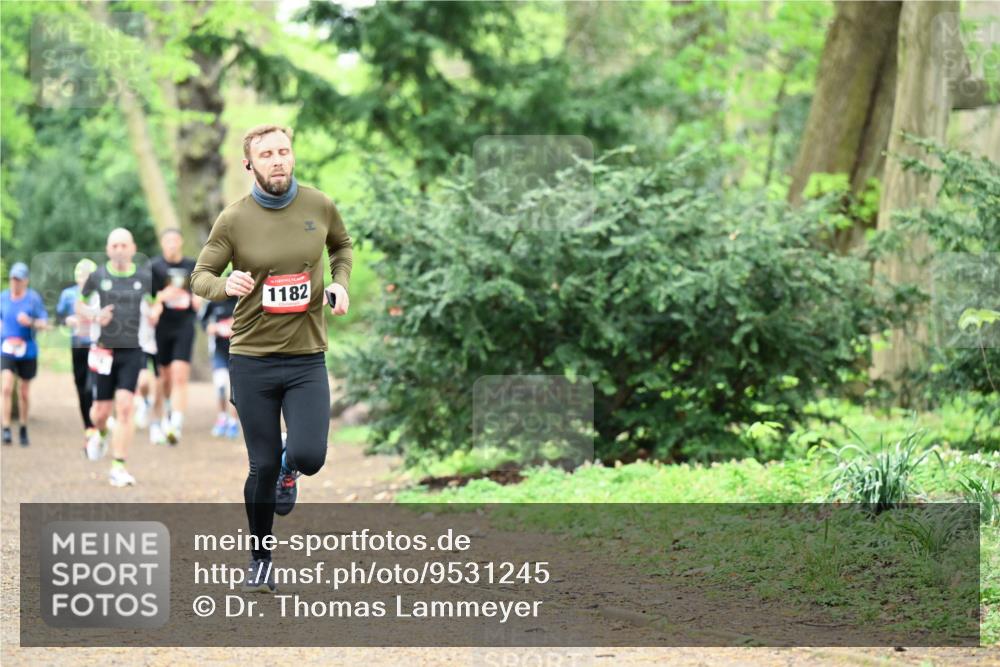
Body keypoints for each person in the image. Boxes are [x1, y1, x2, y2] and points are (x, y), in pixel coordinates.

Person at [191, 124, 352, 592]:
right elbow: (201, 276)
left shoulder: (319, 205)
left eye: (284, 151)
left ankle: (291, 470)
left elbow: (340, 246)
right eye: (266, 154)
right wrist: (227, 286)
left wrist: (339, 282)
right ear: (250, 164)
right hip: (252, 358)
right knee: (259, 464)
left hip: (306, 357)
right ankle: (260, 556)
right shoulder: (234, 219)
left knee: (309, 455)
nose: (278, 160)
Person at [77, 228, 161, 487]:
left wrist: (155, 312)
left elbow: (156, 302)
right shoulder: (97, 276)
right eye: (115, 245)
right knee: (99, 413)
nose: (120, 250)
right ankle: (100, 433)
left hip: (131, 351)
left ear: (133, 248)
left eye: (124, 245)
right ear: (108, 249)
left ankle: (118, 466)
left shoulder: (144, 278)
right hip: (104, 350)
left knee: (126, 407)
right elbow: (79, 304)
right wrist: (94, 315)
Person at [149, 228, 201, 445]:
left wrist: (196, 299)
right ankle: (160, 418)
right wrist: (161, 297)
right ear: (162, 244)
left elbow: (200, 291)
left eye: (175, 240)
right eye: (167, 241)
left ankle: (175, 425)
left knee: (180, 375)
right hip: (161, 327)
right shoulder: (154, 267)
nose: (171, 244)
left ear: (180, 242)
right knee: (164, 378)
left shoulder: (191, 265)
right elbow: (147, 298)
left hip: (184, 324)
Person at [1, 262, 49, 446]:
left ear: (26, 281)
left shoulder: (33, 299)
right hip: (6, 348)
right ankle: (5, 428)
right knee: (5, 387)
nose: (16, 283)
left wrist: (30, 321)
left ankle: (22, 427)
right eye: (13, 279)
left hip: (27, 350)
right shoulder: (3, 297)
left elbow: (44, 323)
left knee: (24, 392)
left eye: (19, 280)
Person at [56, 258, 98, 446]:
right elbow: (60, 316)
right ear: (77, 277)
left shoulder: (100, 294)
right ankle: (88, 426)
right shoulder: (68, 294)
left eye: (89, 276)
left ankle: (98, 421)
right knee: (81, 385)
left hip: (97, 345)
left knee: (92, 385)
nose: (84, 279)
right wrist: (68, 320)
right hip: (77, 345)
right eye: (82, 275)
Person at [201, 291, 240, 438]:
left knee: (235, 388)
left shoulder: (241, 301)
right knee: (221, 385)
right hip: (219, 351)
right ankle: (222, 418)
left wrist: (235, 326)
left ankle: (233, 422)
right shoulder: (213, 301)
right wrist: (210, 328)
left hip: (237, 351)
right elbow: (202, 321)